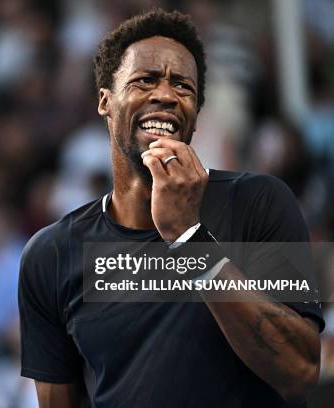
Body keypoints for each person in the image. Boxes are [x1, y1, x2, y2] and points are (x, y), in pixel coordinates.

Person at [18, 9, 324, 408]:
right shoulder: (53, 253)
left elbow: (300, 371)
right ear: (105, 102)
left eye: (183, 87)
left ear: (196, 116)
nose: (165, 95)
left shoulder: (259, 202)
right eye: (144, 80)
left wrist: (190, 238)